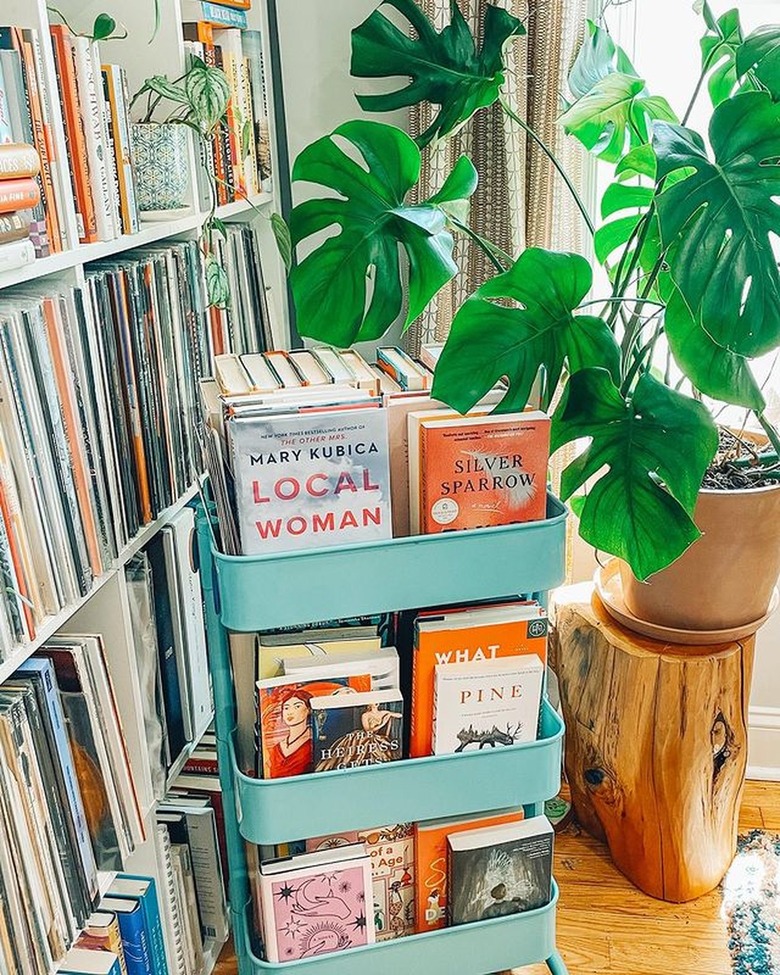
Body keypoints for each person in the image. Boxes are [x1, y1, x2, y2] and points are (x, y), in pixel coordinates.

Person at [269, 687, 314, 777]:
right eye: (286, 708)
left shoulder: (314, 743)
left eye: (297, 706)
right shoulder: (276, 748)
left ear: (308, 710)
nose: (290, 712)